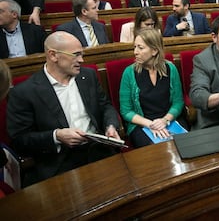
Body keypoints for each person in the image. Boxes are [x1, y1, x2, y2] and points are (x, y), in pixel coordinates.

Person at [7, 31, 121, 186]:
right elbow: (20, 139)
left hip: (98, 150)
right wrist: (56, 136)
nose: (81, 60)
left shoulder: (88, 76)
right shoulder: (24, 92)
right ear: (53, 55)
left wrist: (110, 126)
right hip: (59, 160)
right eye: (76, 55)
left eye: (82, 54)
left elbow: (105, 106)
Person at [119, 28, 185, 148]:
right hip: (142, 123)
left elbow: (178, 103)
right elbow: (126, 111)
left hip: (169, 119)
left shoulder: (171, 68)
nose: (135, 52)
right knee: (156, 150)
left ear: (154, 50)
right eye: (135, 47)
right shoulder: (129, 73)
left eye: (140, 47)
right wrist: (151, 124)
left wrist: (165, 120)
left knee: (183, 145)